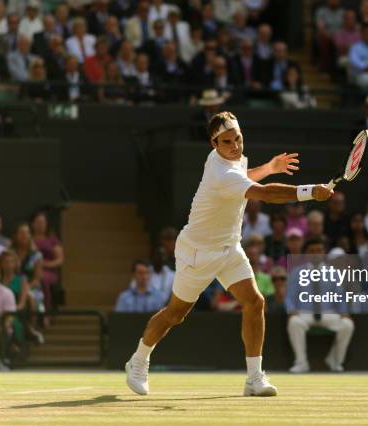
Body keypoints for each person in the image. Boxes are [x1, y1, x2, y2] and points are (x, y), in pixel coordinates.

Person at [125, 111, 334, 397]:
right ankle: (138, 360)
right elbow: (265, 194)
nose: (235, 146)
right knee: (176, 314)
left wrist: (268, 167)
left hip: (229, 247)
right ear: (214, 145)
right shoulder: (221, 172)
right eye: (227, 142)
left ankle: (254, 378)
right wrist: (311, 191)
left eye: (238, 138)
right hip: (198, 252)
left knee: (254, 302)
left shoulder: (229, 161)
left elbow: (244, 178)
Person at [286, 237, 354, 373]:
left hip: (327, 312)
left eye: (319, 250)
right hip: (304, 313)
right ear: (306, 254)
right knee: (294, 322)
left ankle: (335, 361)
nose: (316, 253)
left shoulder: (333, 273)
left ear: (324, 253)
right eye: (312, 251)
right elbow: (290, 296)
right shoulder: (296, 273)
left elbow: (339, 296)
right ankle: (301, 363)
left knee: (347, 325)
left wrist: (344, 312)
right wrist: (291, 310)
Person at [31, 211, 64, 311]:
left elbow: (60, 260)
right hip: (30, 269)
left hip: (48, 270)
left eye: (43, 222)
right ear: (33, 224)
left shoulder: (52, 240)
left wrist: (44, 264)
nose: (40, 225)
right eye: (38, 222)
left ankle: (46, 312)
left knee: (43, 279)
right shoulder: (29, 239)